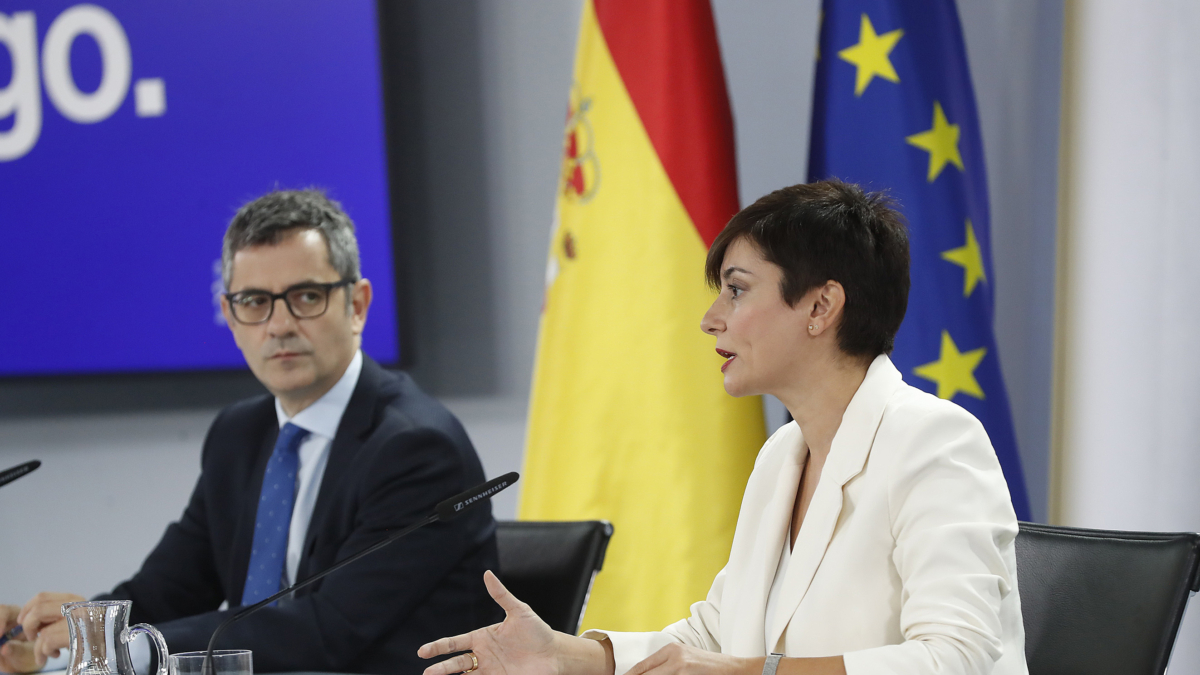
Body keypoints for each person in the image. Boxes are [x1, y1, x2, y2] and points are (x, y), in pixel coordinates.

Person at [417, 180, 1027, 675]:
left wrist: (753, 674)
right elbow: (715, 632)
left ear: (821, 307)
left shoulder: (935, 442)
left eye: (736, 291)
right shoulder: (782, 455)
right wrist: (567, 655)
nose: (711, 320)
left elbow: (956, 659)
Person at [0, 190, 500, 675]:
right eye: (255, 302)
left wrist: (125, 645)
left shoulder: (415, 447)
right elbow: (165, 592)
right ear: (230, 316)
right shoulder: (238, 435)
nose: (279, 325)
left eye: (306, 296)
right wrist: (61, 638)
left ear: (358, 305)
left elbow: (329, 630)